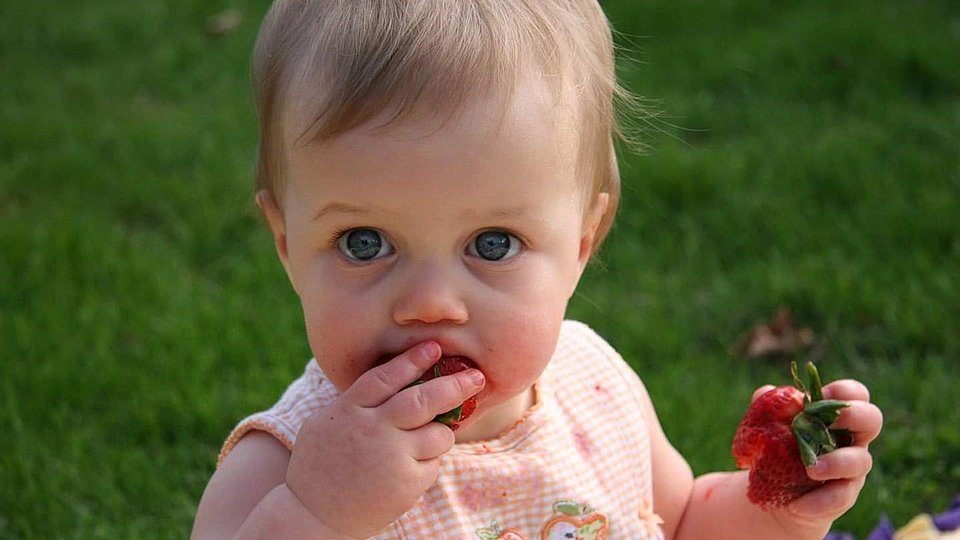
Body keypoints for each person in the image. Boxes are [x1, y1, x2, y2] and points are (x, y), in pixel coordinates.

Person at [191, 1, 883, 538]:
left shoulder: (597, 388)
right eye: (364, 242)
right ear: (287, 244)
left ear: (583, 243)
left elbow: (683, 525)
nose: (430, 303)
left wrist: (778, 510)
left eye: (491, 244)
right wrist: (319, 517)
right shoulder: (281, 470)